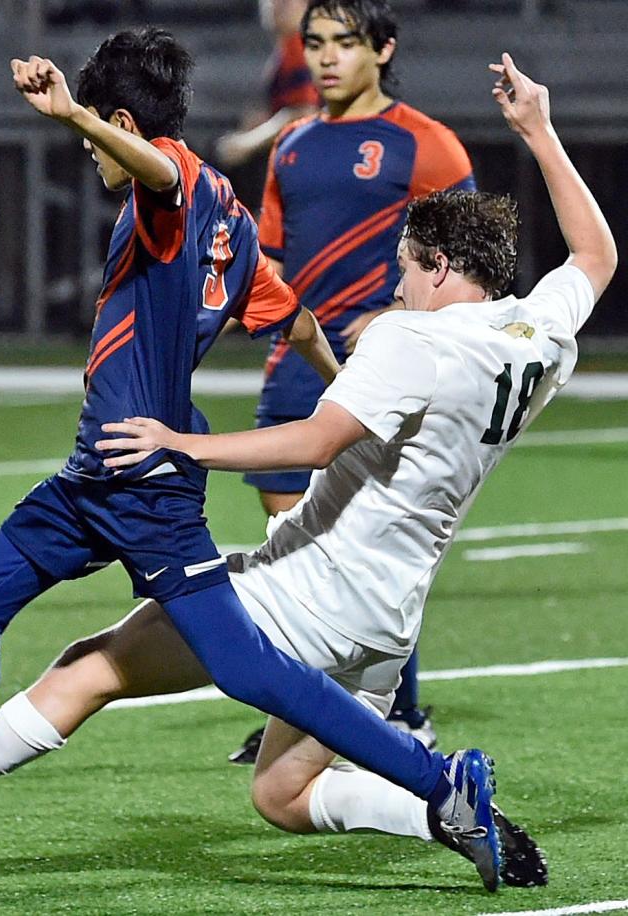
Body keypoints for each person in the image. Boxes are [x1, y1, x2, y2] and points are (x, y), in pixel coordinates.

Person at [0, 28, 511, 890]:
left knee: (247, 667)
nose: (89, 156)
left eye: (91, 138)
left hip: (142, 482)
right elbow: (290, 317)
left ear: (116, 124)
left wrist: (70, 111)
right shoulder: (233, 217)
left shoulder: (173, 188)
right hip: (91, 475)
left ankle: (441, 786)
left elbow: (156, 170)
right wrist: (348, 396)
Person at [230, 0, 478, 763]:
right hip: (292, 373)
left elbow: (471, 267)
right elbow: (271, 256)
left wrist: (390, 316)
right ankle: (311, 713)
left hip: (380, 378)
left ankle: (402, 717)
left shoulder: (425, 144)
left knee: (371, 548)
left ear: (383, 50)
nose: (325, 58)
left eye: (344, 43)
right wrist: (257, 304)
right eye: (315, 44)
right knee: (291, 547)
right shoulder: (293, 146)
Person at [214, 0, 321, 169]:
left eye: (284, 2)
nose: (273, 4)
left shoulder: (300, 46)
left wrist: (248, 142)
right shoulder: (288, 46)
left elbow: (303, 112)